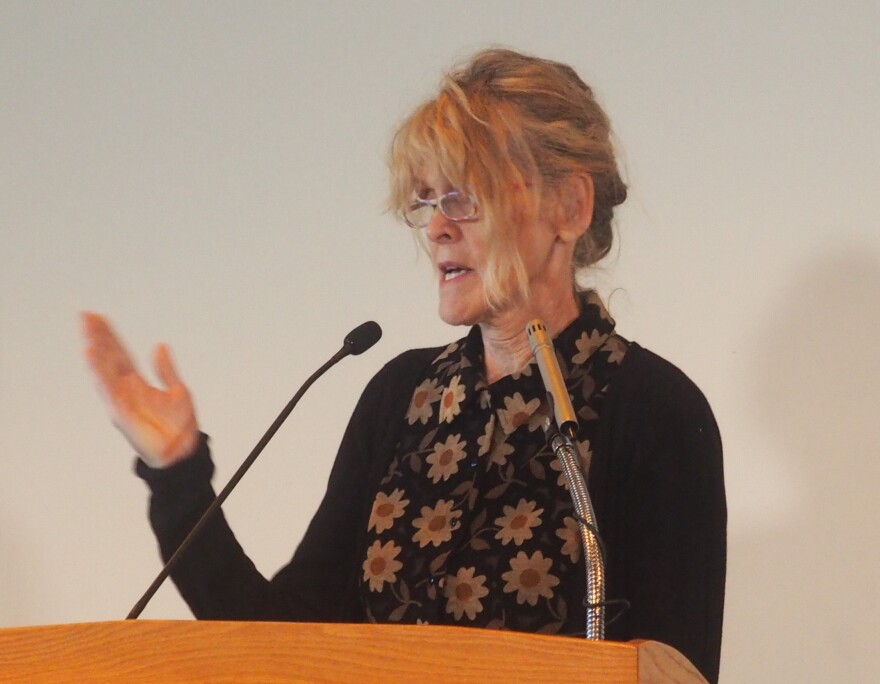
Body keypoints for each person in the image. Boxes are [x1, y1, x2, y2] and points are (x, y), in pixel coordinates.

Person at [82, 49, 726, 682]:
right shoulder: (401, 396)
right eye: (425, 201)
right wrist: (178, 476)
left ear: (569, 207)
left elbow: (672, 671)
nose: (437, 229)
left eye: (465, 197)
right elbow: (286, 641)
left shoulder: (653, 411)